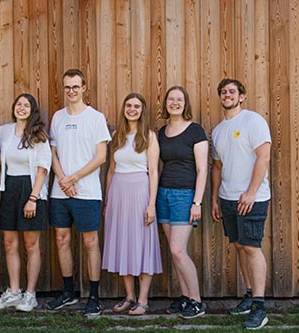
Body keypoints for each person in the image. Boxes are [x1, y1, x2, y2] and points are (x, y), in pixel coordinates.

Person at [45, 69, 111, 316]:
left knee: (90, 241)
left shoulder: (95, 118)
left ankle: (94, 296)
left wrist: (73, 178)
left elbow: (101, 157)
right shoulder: (57, 117)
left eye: (75, 86)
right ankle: (68, 293)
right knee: (62, 239)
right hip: (60, 192)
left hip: (87, 192)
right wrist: (63, 179)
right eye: (67, 87)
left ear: (84, 88)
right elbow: (52, 153)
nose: (71, 91)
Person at [211, 78, 271, 330]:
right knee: (238, 245)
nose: (227, 95)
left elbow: (264, 155)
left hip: (252, 198)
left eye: (232, 92)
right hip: (228, 197)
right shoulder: (218, 130)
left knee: (251, 247)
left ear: (241, 96)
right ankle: (248, 296)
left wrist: (251, 191)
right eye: (224, 92)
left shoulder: (253, 121)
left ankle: (259, 307)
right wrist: (214, 198)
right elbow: (217, 166)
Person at [0, 94, 51, 312]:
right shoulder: (5, 131)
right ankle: (13, 292)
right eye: (19, 104)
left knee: (31, 245)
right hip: (9, 189)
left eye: (26, 105)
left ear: (32, 110)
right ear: (14, 108)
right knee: (9, 243)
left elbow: (43, 168)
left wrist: (33, 198)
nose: (22, 108)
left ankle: (29, 294)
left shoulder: (38, 135)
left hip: (31, 190)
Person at [102, 93, 162, 316]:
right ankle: (129, 296)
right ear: (123, 109)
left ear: (142, 110)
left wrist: (151, 204)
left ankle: (143, 300)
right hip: (118, 192)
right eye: (128, 105)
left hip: (140, 192)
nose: (132, 109)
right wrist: (107, 201)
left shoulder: (149, 136)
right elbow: (110, 171)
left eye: (136, 106)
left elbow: (154, 171)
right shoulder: (117, 135)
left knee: (142, 244)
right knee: (123, 244)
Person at [156, 86, 208, 319]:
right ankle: (186, 297)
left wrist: (197, 202)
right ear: (165, 103)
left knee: (178, 250)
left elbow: (203, 168)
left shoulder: (195, 131)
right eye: (171, 99)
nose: (174, 103)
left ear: (185, 104)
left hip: (185, 195)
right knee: (173, 250)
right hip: (163, 194)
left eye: (179, 99)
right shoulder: (161, 131)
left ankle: (197, 301)